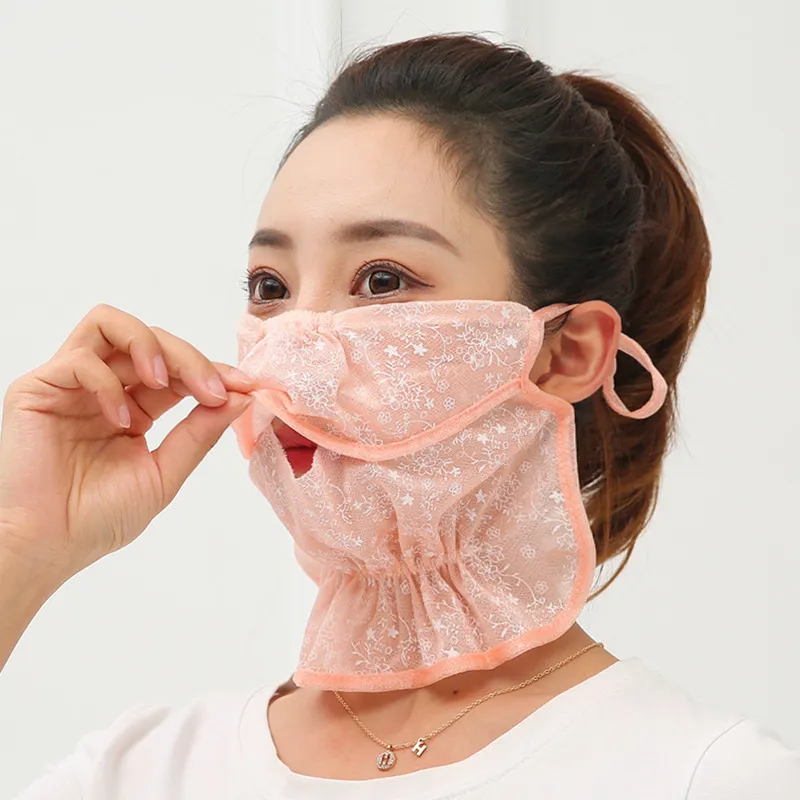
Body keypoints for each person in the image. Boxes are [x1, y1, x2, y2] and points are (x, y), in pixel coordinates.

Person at [2, 33, 798, 799]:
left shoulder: (703, 777)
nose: (290, 357)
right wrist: (22, 541)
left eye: (382, 280)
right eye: (271, 288)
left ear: (566, 353)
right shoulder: (138, 772)